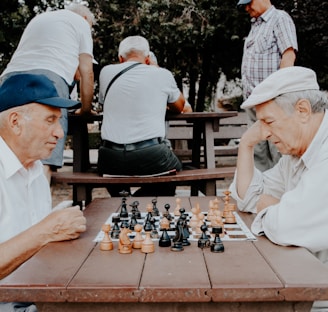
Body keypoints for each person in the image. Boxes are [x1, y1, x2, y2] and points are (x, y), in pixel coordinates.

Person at [229, 66, 328, 311]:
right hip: (303, 279)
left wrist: (278, 207)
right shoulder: (295, 155)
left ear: (302, 110)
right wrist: (246, 145)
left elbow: (286, 227)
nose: (264, 133)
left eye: (268, 122)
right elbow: (248, 199)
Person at [0, 74, 87, 311]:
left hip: (36, 294)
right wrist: (47, 230)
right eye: (50, 120)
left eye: (59, 121)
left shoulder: (35, 167)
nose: (60, 133)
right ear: (15, 122)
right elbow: (41, 235)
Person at [0, 3, 96, 183]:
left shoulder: (40, 18)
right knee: (45, 154)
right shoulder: (81, 23)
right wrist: (85, 109)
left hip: (10, 78)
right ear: (85, 19)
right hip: (50, 77)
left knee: (7, 153)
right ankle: (41, 208)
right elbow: (86, 71)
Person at [98, 35, 186, 197]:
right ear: (147, 59)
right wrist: (156, 67)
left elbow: (104, 103)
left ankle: (122, 198)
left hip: (110, 158)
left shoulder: (105, 72)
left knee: (109, 169)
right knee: (175, 171)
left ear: (120, 58)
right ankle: (137, 201)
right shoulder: (161, 74)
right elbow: (179, 106)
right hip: (151, 155)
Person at [238, 0, 298, 171]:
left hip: (272, 100)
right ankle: (262, 195)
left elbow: (288, 56)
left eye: (249, 3)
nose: (246, 8)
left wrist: (279, 93)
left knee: (277, 149)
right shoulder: (255, 25)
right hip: (252, 101)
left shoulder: (280, 18)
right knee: (257, 152)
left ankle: (282, 196)